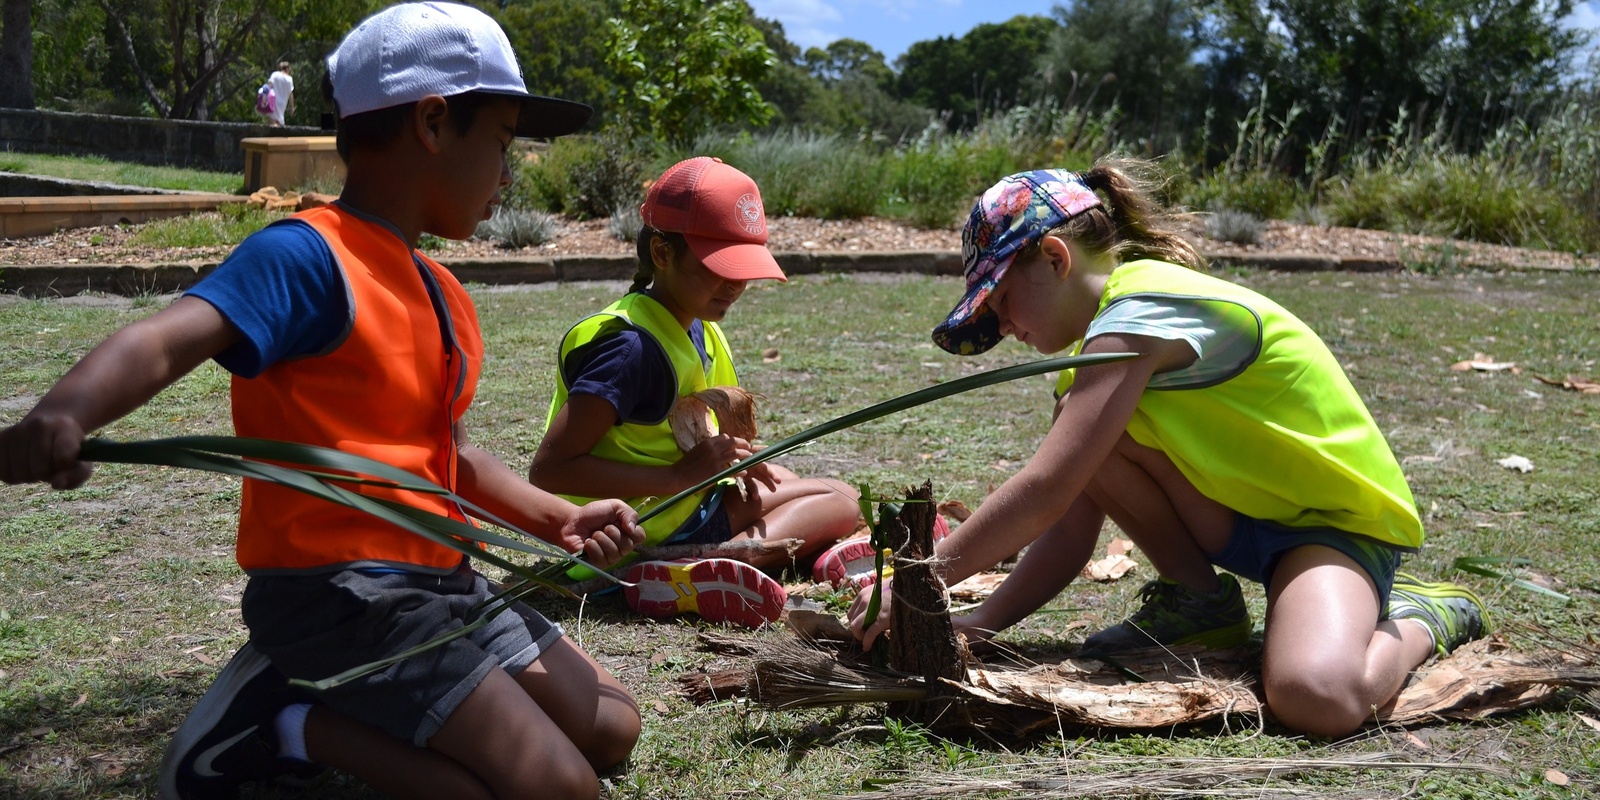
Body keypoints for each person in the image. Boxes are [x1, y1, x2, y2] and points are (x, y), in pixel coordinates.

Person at [0, 4, 642, 799]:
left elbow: (449, 453)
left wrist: (559, 518)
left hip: (442, 582)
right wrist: (66, 414)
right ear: (434, 124)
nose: (509, 175)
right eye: (503, 145)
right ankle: (281, 726)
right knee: (556, 790)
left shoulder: (440, 291)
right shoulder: (308, 257)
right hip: (340, 598)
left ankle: (327, 707)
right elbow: (168, 337)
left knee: (614, 726)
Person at [847, 161, 1489, 737]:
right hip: (1240, 522)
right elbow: (1068, 533)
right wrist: (979, 621)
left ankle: (1420, 616)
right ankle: (1200, 604)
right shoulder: (1089, 368)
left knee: (1314, 695)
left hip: (1330, 527)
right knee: (1091, 440)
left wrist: (917, 582)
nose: (1004, 326)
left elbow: (1044, 490)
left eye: (1003, 300)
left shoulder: (1147, 306)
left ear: (1054, 256)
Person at [531, 156, 861, 628]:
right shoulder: (628, 350)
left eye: (745, 266)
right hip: (646, 524)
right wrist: (677, 480)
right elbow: (549, 470)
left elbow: (680, 427)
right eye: (719, 266)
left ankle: (726, 559)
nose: (737, 283)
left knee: (785, 476)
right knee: (842, 498)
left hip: (682, 497)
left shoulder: (694, 323)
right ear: (663, 254)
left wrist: (742, 456)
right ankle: (700, 569)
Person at [267, 61, 294, 126]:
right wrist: (291, 107)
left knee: (272, 122)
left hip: (273, 101)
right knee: (280, 121)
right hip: (283, 104)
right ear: (288, 69)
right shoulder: (289, 79)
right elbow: (291, 95)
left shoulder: (275, 74)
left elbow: (269, 86)